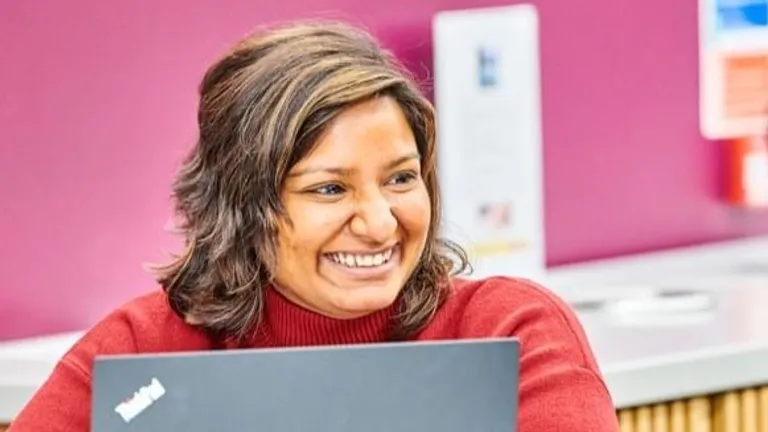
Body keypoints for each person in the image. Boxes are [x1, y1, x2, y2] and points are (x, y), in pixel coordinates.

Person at [8, 20, 619, 431]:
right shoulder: (143, 348)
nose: (381, 224)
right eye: (330, 189)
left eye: (402, 179)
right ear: (241, 206)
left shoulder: (511, 331)